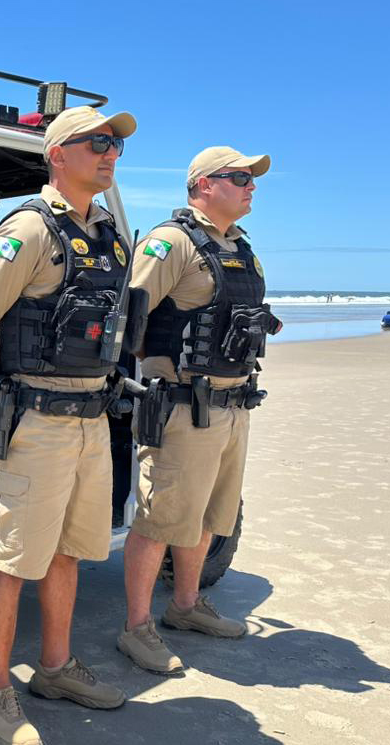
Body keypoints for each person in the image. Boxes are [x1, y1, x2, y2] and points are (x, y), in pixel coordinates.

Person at [0, 104, 136, 745]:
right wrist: (9, 382)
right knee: (13, 561)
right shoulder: (29, 230)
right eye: (96, 142)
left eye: (115, 144)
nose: (109, 153)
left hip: (91, 421)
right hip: (37, 423)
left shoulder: (111, 236)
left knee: (68, 551)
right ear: (57, 154)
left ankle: (54, 668)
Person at [119, 145, 279, 674]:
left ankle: (186, 606)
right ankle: (136, 628)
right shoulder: (170, 243)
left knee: (212, 515)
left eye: (252, 178)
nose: (251, 186)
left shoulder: (241, 248)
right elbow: (127, 320)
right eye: (240, 177)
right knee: (159, 520)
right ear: (204, 185)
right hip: (183, 406)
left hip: (234, 405)